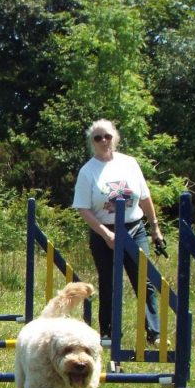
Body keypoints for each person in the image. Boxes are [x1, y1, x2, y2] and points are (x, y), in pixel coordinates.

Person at [72, 119, 165, 345]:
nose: (104, 141)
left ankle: (155, 334)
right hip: (105, 233)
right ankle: (109, 335)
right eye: (98, 138)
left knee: (145, 280)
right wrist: (106, 234)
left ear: (115, 138)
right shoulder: (88, 171)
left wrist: (155, 227)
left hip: (134, 228)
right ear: (92, 143)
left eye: (107, 137)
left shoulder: (130, 163)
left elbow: (144, 196)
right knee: (110, 284)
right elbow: (83, 208)